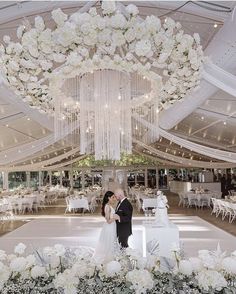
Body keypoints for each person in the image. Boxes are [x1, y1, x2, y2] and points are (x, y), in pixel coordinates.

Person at [93, 191, 118, 263]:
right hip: (109, 227)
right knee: (109, 242)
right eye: (113, 197)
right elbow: (108, 221)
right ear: (108, 198)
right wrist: (115, 218)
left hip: (111, 226)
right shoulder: (107, 207)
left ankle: (110, 258)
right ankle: (107, 259)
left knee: (111, 242)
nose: (114, 199)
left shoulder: (108, 206)